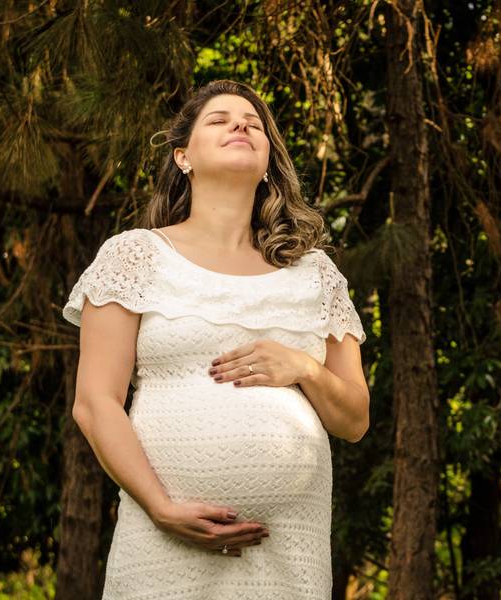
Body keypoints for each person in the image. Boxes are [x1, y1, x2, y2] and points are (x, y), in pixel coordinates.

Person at [62, 79, 369, 599]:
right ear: (184, 156)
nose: (240, 126)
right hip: (163, 541)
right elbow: (95, 403)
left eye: (253, 123)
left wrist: (304, 368)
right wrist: (161, 507)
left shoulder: (316, 274)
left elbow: (355, 420)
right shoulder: (134, 256)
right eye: (220, 120)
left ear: (270, 160)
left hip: (287, 552)